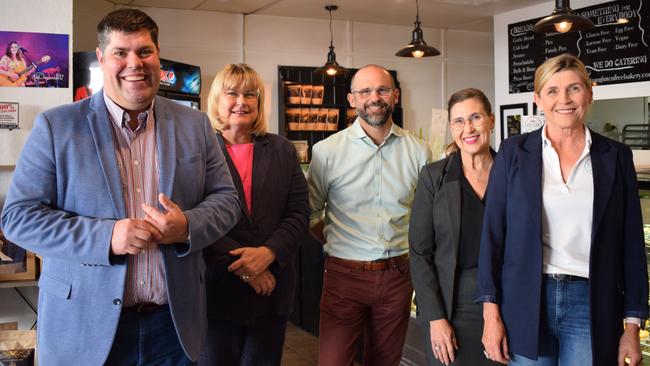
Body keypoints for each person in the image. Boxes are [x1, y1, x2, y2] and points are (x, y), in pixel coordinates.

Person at [0, 8, 241, 365]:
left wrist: (187, 227)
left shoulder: (195, 125)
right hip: (86, 329)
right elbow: (19, 218)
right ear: (101, 58)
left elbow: (227, 200)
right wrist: (106, 237)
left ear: (157, 55)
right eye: (120, 52)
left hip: (174, 327)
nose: (135, 63)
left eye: (144, 51)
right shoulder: (57, 126)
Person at [477, 53, 649, 366]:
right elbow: (492, 238)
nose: (564, 99)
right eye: (553, 91)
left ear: (590, 93)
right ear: (538, 99)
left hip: (593, 303)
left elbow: (632, 246)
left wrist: (633, 326)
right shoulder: (513, 153)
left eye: (574, 88)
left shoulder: (616, 157)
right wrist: (490, 316)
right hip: (526, 299)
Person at [307, 64, 430, 366]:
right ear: (352, 100)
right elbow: (310, 213)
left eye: (382, 90)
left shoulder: (419, 152)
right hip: (343, 276)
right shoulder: (326, 152)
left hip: (398, 276)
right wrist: (342, 245)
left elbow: (426, 218)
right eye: (364, 91)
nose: (374, 98)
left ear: (395, 95)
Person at [199, 63, 310, 366]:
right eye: (232, 93)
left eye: (251, 94)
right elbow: (194, 218)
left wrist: (269, 253)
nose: (241, 102)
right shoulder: (199, 150)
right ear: (217, 100)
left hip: (271, 291)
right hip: (217, 292)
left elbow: (299, 213)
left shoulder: (282, 149)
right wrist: (247, 267)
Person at [409, 88, 499, 366]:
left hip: (504, 303)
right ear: (451, 127)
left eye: (475, 117)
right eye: (459, 121)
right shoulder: (434, 177)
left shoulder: (512, 173)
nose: (467, 128)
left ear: (491, 121)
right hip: (449, 303)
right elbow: (419, 252)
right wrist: (435, 318)